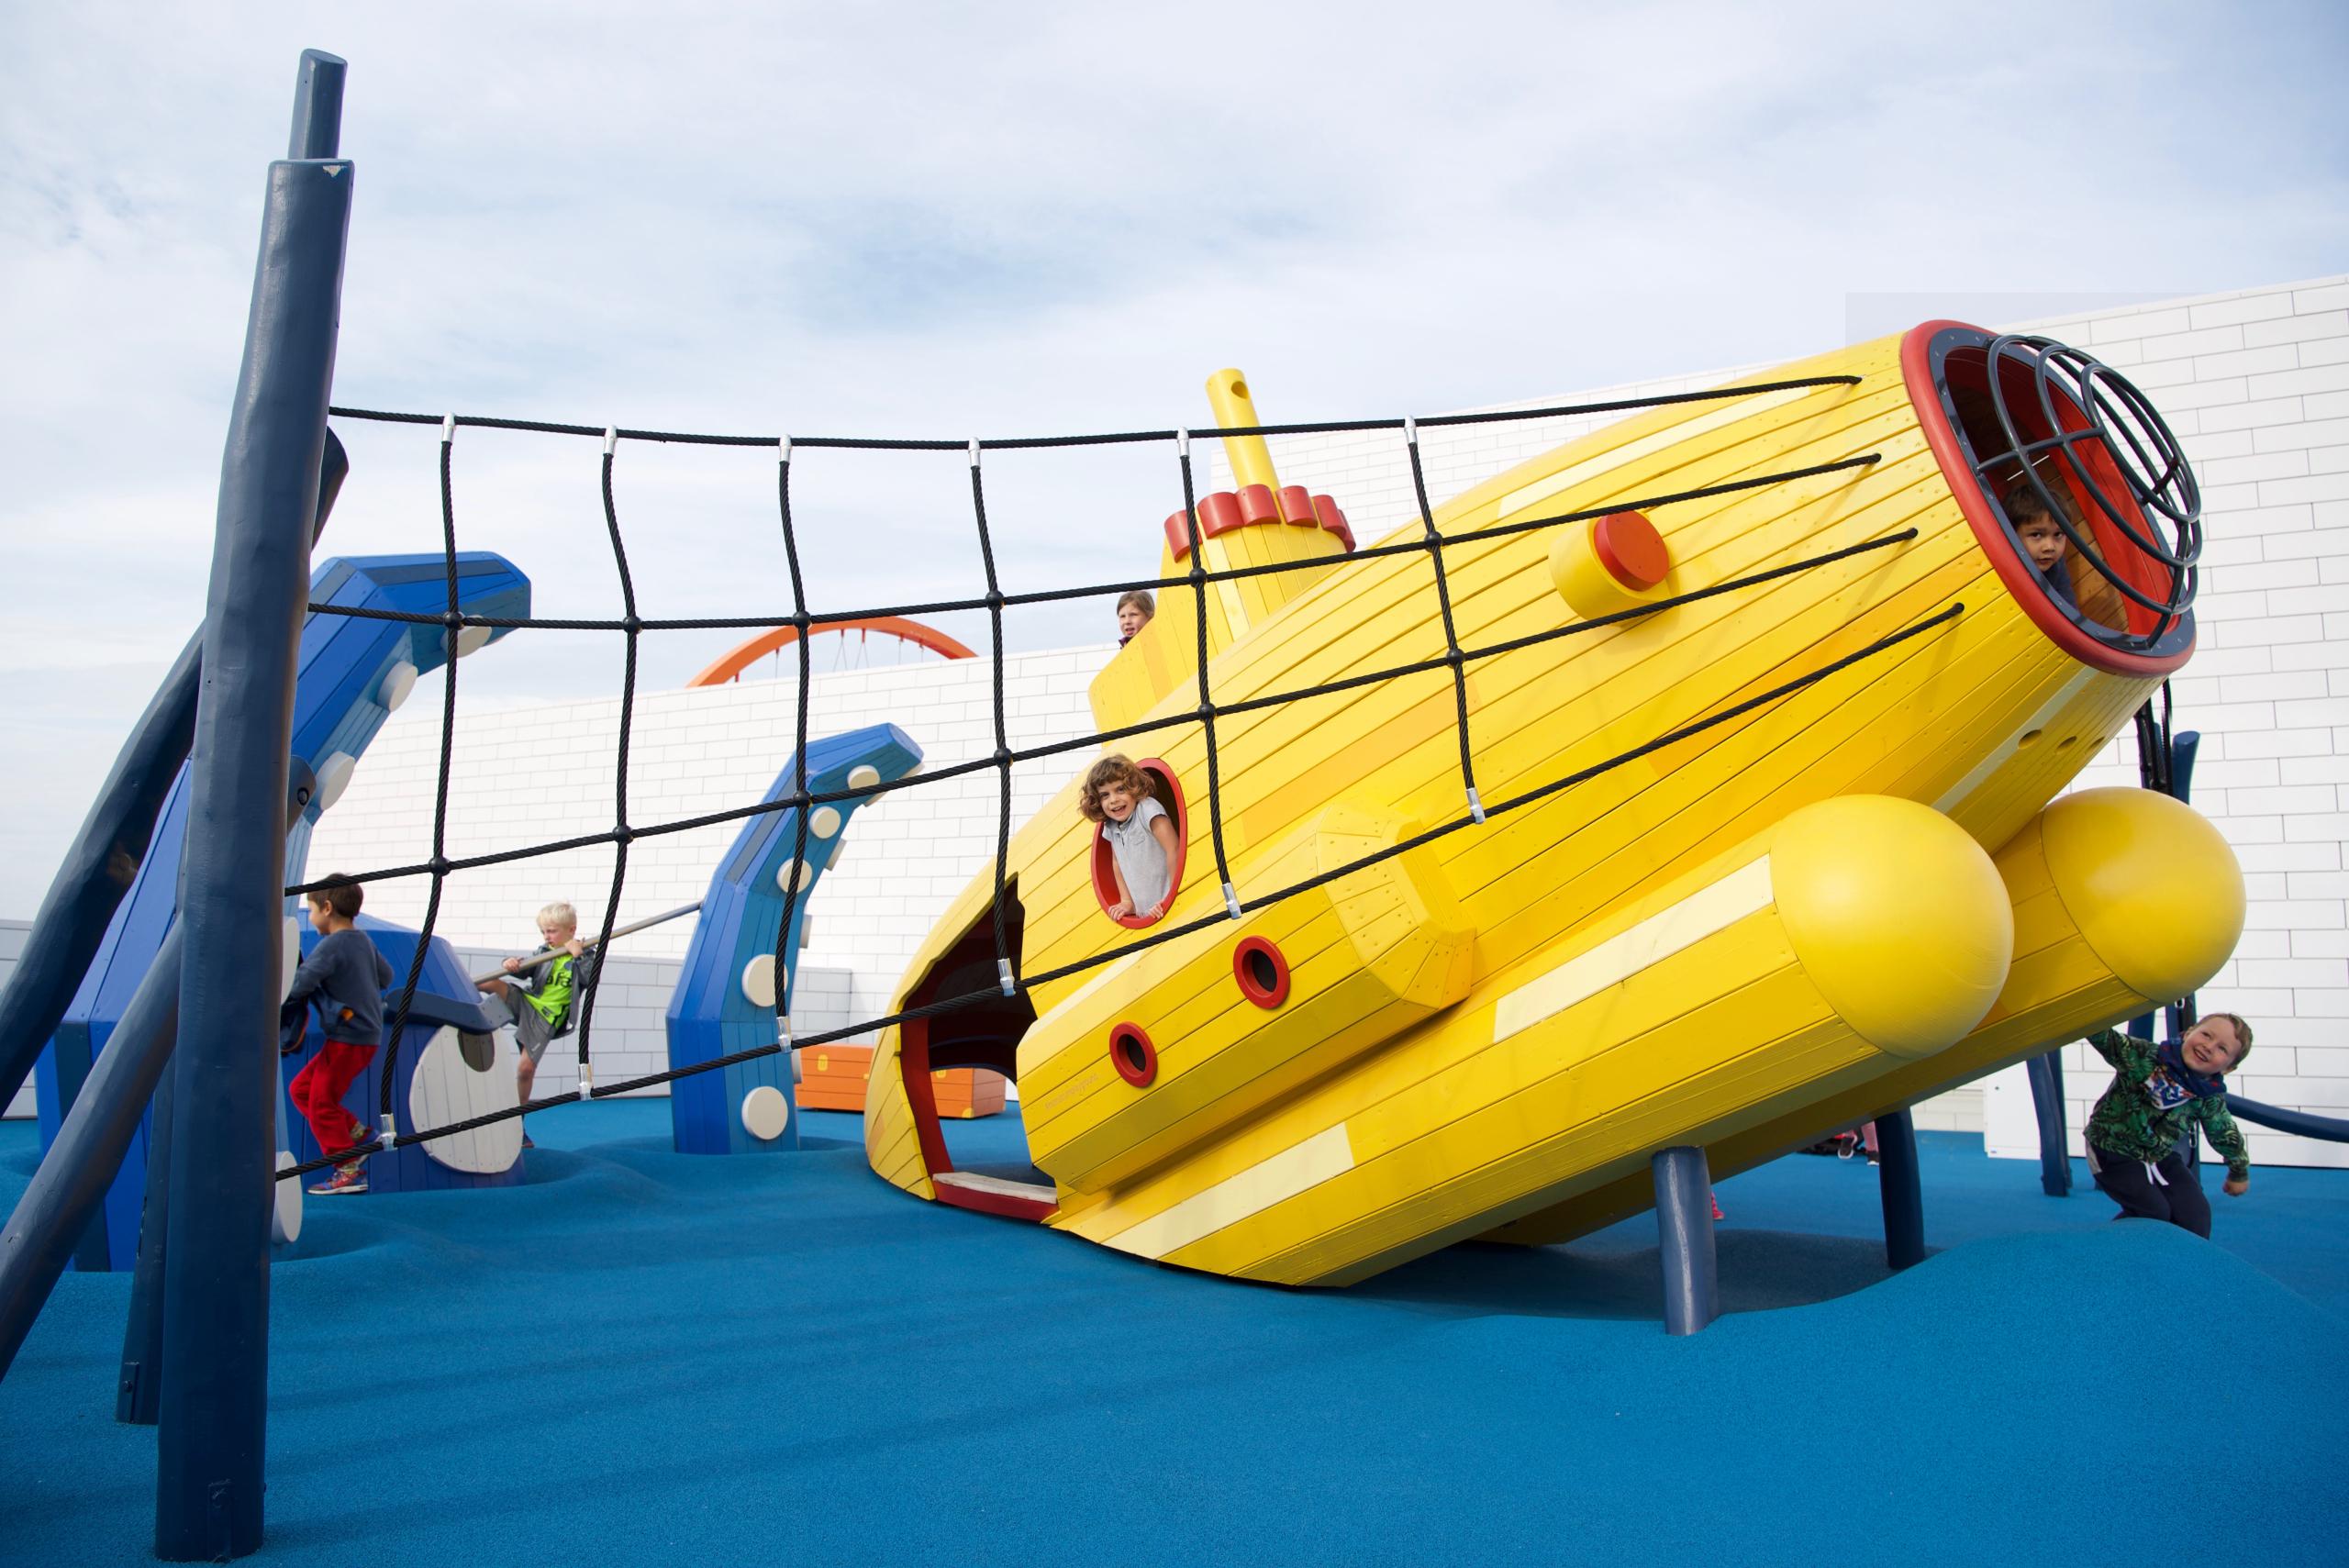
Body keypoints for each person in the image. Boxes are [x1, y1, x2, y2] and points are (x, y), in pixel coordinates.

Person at [2083, 1014, 2253, 1239]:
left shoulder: (2207, 1096)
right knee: (2154, 1212)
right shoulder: (2144, 1056)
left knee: (2196, 1215)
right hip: (2111, 1148)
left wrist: (2238, 1172)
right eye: (2206, 1034)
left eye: (2222, 1049)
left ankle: (2185, 1265)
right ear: (2188, 1032)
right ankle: (2112, 1249)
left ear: (2229, 1068)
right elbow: (2103, 1036)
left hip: (2157, 1154)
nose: (2208, 1046)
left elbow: (2223, 1132)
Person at [284, 877, 394, 1195]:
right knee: (302, 1090)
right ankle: (358, 1133)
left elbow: (301, 983)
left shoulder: (332, 944)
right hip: (362, 1036)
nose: (311, 915)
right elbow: (386, 976)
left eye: (312, 909)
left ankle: (348, 1169)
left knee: (320, 1104)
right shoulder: (362, 941)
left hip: (350, 1037)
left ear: (327, 908)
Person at [477, 901, 586, 1143]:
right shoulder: (544, 951)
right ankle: (469, 1016)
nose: (547, 936)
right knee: (488, 983)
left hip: (546, 1019)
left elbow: (589, 976)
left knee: (525, 1069)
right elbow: (524, 971)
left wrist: (577, 955)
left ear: (571, 929)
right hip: (528, 1002)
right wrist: (510, 963)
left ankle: (518, 1127)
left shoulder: (584, 952)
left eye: (552, 931)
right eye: (544, 932)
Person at [1081, 755, 1178, 921]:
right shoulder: (1110, 826)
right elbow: (1117, 862)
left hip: (1166, 904)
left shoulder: (1147, 810)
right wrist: (1126, 901)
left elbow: (1173, 848)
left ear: (1134, 787)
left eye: (1120, 789)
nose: (1113, 800)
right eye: (1105, 795)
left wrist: (1171, 895)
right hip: (1146, 912)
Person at [2000, 475, 2080, 610]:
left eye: (2058, 534)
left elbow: (2069, 609)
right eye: (2036, 535)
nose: (2049, 547)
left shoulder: (2056, 566)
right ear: (2011, 534)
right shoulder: (2003, 568)